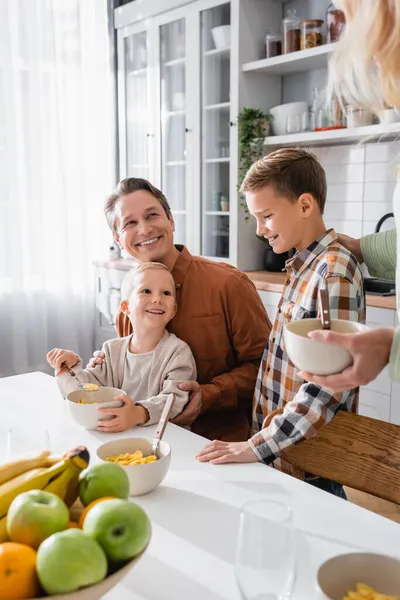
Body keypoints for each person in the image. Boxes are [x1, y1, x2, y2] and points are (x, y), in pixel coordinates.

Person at [197, 148, 365, 498]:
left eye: (267, 216)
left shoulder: (332, 272)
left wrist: (257, 446)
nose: (259, 230)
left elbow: (329, 385)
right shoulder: (304, 266)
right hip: (283, 455)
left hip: (311, 466)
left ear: (305, 206)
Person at [89, 177, 272, 441]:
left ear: (171, 221)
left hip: (217, 444)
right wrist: (107, 367)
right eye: (130, 223)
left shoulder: (229, 283)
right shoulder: (128, 307)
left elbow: (267, 368)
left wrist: (209, 394)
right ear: (119, 239)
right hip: (143, 441)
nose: (144, 229)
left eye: (152, 215)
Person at [294, 0, 400, 393]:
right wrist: (364, 247)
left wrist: (392, 346)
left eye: (354, 18)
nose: (367, 50)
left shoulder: (332, 269)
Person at [47, 262, 197, 432]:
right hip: (120, 437)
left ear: (173, 310)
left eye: (166, 293)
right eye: (146, 291)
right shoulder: (112, 350)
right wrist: (69, 368)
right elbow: (89, 393)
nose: (157, 299)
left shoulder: (178, 352)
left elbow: (175, 399)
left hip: (165, 439)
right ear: (126, 307)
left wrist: (137, 414)